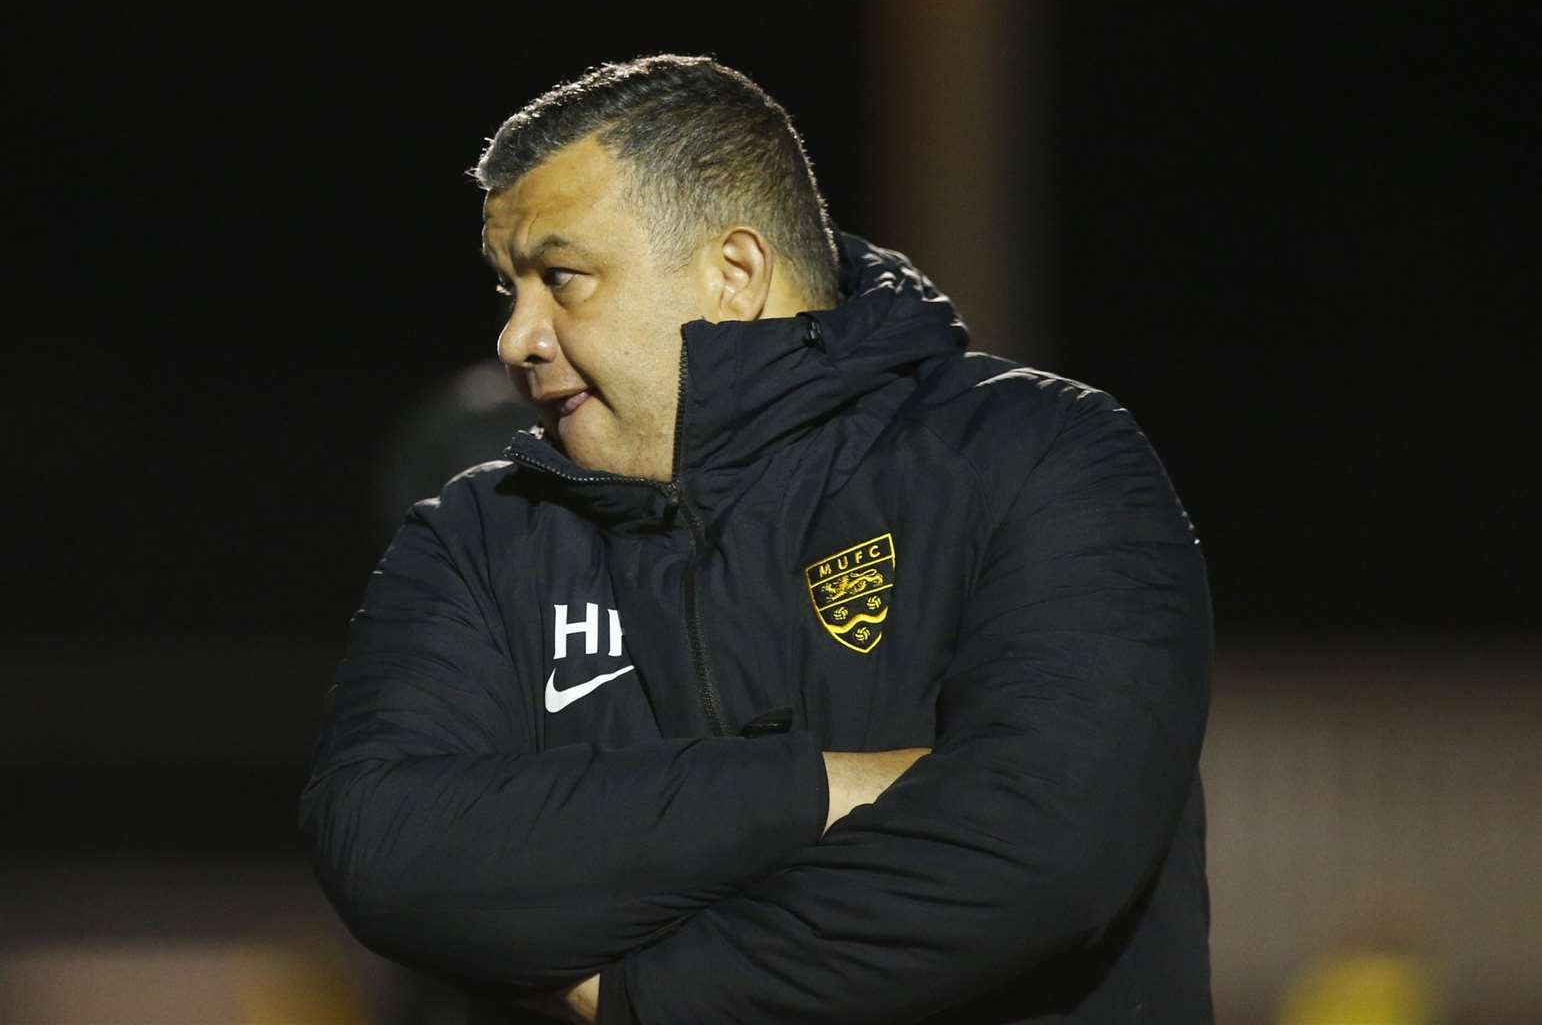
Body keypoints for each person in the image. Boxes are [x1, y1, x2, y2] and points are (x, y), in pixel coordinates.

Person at [301, 54, 1214, 1024]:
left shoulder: (1035, 453)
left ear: (735, 272)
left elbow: (1045, 850)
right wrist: (821, 788)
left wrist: (646, 995)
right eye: (507, 289)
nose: (517, 336)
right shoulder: (480, 537)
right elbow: (388, 852)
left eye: (562, 279)